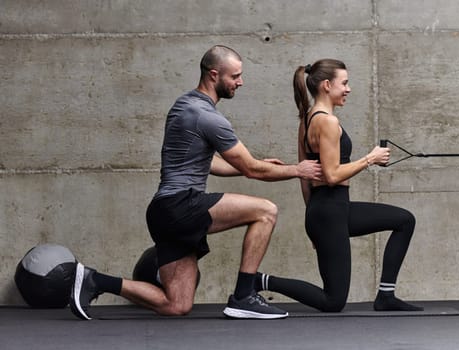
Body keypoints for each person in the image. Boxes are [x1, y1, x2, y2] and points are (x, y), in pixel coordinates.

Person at [69, 45, 323, 320]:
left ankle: (96, 280)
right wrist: (297, 170)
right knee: (266, 211)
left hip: (164, 212)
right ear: (214, 75)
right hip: (181, 205)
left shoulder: (184, 105)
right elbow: (253, 170)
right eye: (235, 76)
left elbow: (209, 163)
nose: (241, 82)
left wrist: (250, 167)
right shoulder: (207, 117)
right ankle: (244, 296)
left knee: (176, 304)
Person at [254, 59, 423, 312]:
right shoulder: (328, 122)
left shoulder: (307, 120)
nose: (348, 89)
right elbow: (331, 176)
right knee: (333, 301)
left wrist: (312, 218)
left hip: (328, 211)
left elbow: (305, 176)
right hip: (330, 211)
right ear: (326, 85)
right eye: (344, 83)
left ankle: (386, 296)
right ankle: (259, 280)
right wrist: (370, 159)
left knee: (404, 220)